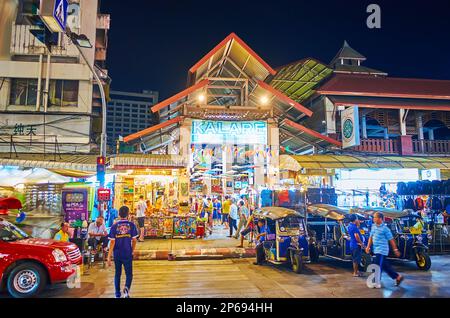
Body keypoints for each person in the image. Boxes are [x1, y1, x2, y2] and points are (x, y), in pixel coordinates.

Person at [365, 212, 404, 288]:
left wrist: (395, 250)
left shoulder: (385, 229)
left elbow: (391, 240)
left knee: (377, 265)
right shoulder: (373, 227)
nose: (373, 219)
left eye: (375, 217)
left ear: (380, 219)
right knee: (385, 266)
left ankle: (377, 282)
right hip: (375, 249)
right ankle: (397, 277)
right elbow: (371, 237)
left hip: (382, 250)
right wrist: (368, 247)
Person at [107, 206, 139, 298]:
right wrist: (132, 250)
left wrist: (109, 256)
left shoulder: (114, 226)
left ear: (119, 214)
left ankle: (117, 294)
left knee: (117, 274)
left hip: (117, 253)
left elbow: (112, 242)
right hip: (127, 252)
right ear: (128, 214)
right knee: (129, 274)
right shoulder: (131, 225)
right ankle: (126, 289)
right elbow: (134, 240)